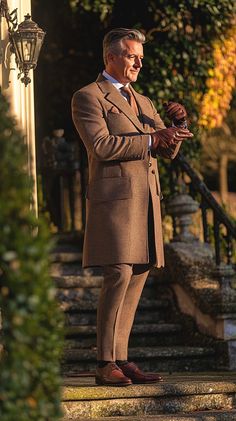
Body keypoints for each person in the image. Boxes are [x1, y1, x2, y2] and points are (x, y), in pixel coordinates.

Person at [72, 28, 193, 386]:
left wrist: (179, 126)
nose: (139, 61)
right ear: (110, 56)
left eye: (140, 56)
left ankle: (121, 359)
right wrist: (153, 138)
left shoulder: (144, 101)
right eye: (131, 55)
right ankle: (103, 362)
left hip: (146, 201)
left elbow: (166, 150)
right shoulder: (88, 97)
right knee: (119, 273)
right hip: (115, 202)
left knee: (139, 273)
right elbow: (102, 146)